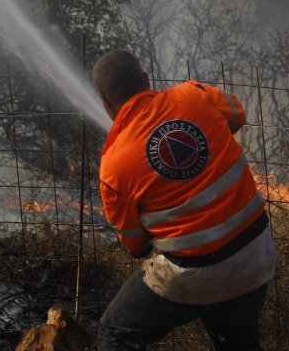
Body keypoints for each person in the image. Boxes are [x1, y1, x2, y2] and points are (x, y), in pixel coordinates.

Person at [92, 50, 276, 351]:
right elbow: (236, 115)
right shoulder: (193, 95)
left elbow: (134, 244)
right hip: (254, 253)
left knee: (115, 334)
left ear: (104, 101)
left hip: (191, 273)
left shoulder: (113, 167)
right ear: (145, 79)